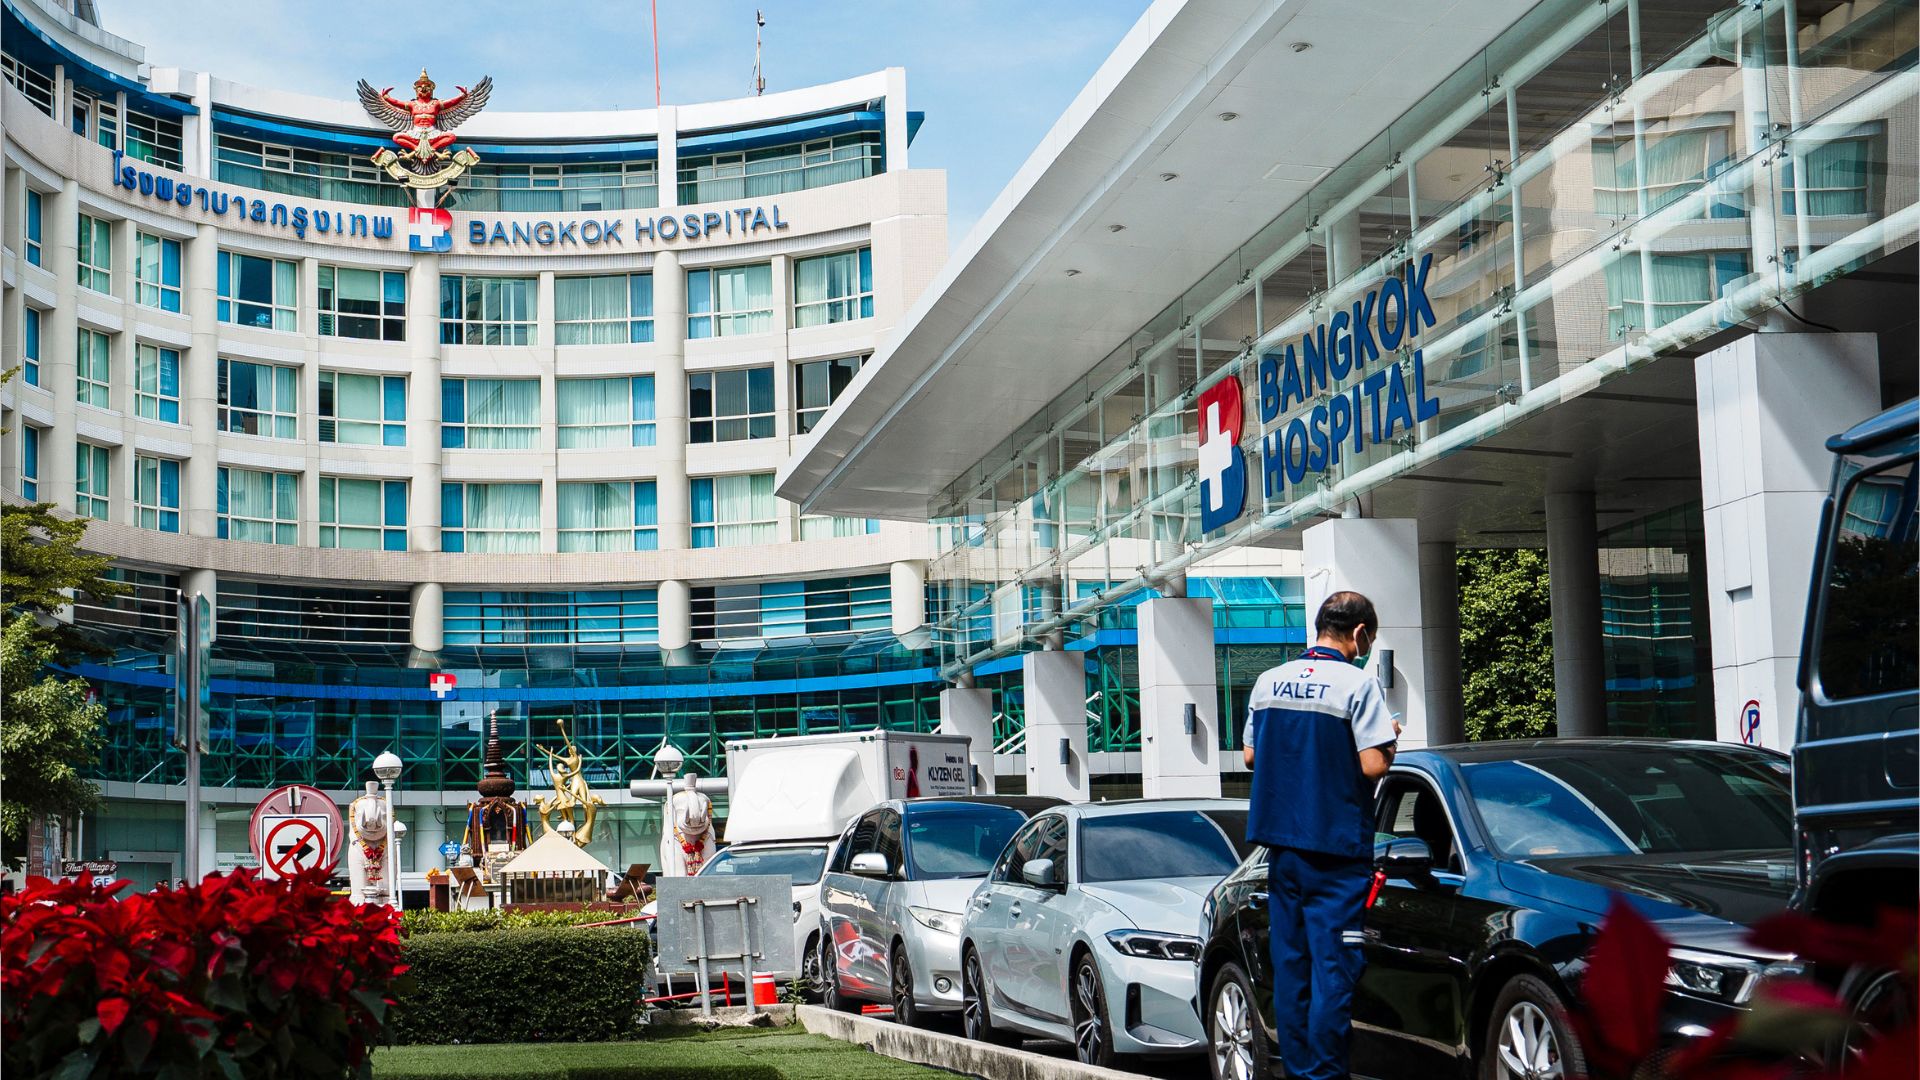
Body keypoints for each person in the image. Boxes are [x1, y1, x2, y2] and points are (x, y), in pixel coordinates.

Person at [1242, 590, 1400, 1080]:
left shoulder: (1269, 682)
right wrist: (1388, 738)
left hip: (1281, 850)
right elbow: (1373, 764)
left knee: (1293, 970)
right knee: (1335, 970)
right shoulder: (1357, 685)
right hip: (1335, 852)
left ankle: (1298, 1069)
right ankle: (1325, 1076)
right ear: (1359, 633)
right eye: (1368, 638)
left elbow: (1250, 757)